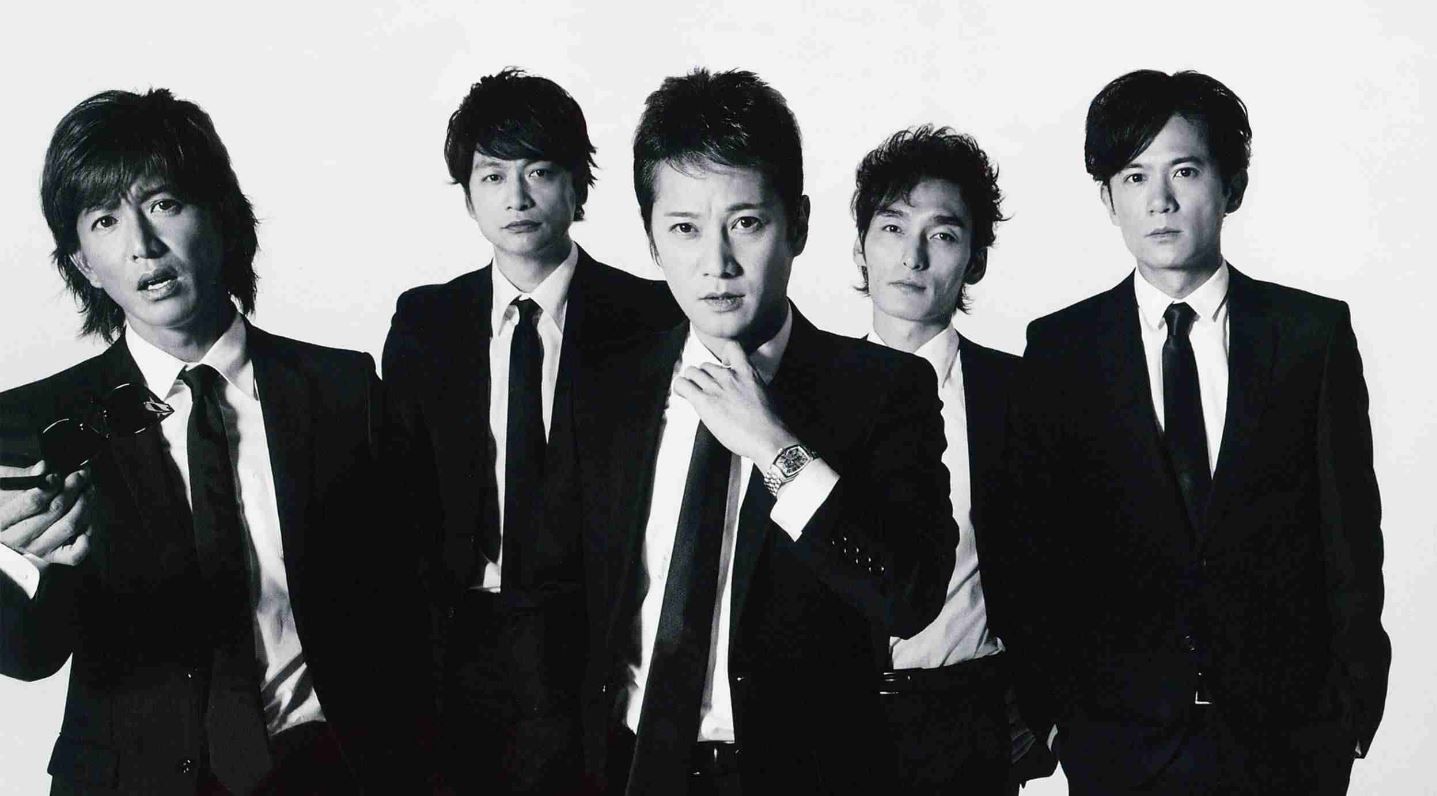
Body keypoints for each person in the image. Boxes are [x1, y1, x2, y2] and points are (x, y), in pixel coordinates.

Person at [0, 88, 432, 794]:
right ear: (83, 263)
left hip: (330, 771)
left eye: (164, 204)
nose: (142, 245)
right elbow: (28, 655)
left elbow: (410, 604)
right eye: (105, 220)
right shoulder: (38, 420)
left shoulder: (342, 390)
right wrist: (15, 562)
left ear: (222, 216)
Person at [557, 68, 958, 795]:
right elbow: (565, 601)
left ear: (797, 224)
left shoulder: (882, 390)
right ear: (651, 240)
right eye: (684, 229)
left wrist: (777, 450)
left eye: (746, 223)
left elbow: (908, 597)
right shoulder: (607, 385)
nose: (716, 264)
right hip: (630, 771)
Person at [1001, 69, 1390, 794]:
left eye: (1184, 170)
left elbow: (1350, 536)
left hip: (1287, 740)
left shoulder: (1310, 335)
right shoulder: (1061, 349)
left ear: (1231, 185)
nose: (1160, 200)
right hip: (1119, 741)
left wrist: (1350, 708)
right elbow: (1036, 551)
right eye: (1133, 176)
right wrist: (1054, 713)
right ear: (1107, 199)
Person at [381, 67, 678, 793]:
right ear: (468, 196)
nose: (515, 198)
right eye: (492, 176)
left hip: (597, 638)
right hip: (461, 640)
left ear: (578, 187)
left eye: (539, 172)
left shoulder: (651, 317)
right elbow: (400, 497)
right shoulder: (426, 322)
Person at [850, 124, 1055, 794]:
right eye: (891, 228)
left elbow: (1075, 562)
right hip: (828, 718)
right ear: (860, 246)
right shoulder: (805, 389)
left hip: (968, 718)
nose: (911, 257)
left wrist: (1046, 714)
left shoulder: (1021, 394)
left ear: (974, 259)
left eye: (940, 235)